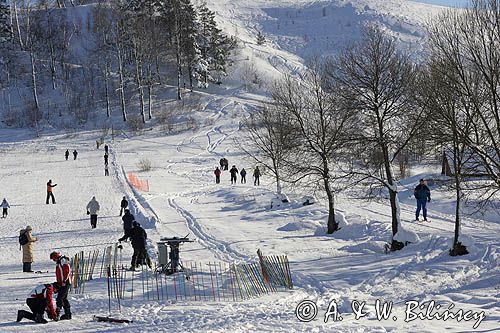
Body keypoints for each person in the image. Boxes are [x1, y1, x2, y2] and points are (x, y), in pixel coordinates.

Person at [50, 251, 72, 320]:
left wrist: (64, 280)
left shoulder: (63, 260)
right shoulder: (59, 261)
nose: (54, 260)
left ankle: (57, 313)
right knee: (64, 298)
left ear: (55, 257)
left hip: (65, 282)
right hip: (62, 283)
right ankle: (68, 314)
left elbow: (67, 270)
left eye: (53, 259)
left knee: (59, 298)